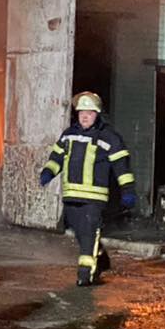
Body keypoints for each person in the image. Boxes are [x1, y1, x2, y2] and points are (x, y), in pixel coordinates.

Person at [38, 91, 137, 286]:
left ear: (97, 114)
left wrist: (128, 191)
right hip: (71, 197)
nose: (84, 117)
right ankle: (101, 257)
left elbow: (121, 167)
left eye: (89, 113)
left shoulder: (109, 137)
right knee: (80, 233)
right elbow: (56, 158)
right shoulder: (68, 135)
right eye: (81, 112)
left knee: (88, 234)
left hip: (94, 198)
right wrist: (48, 172)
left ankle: (86, 275)